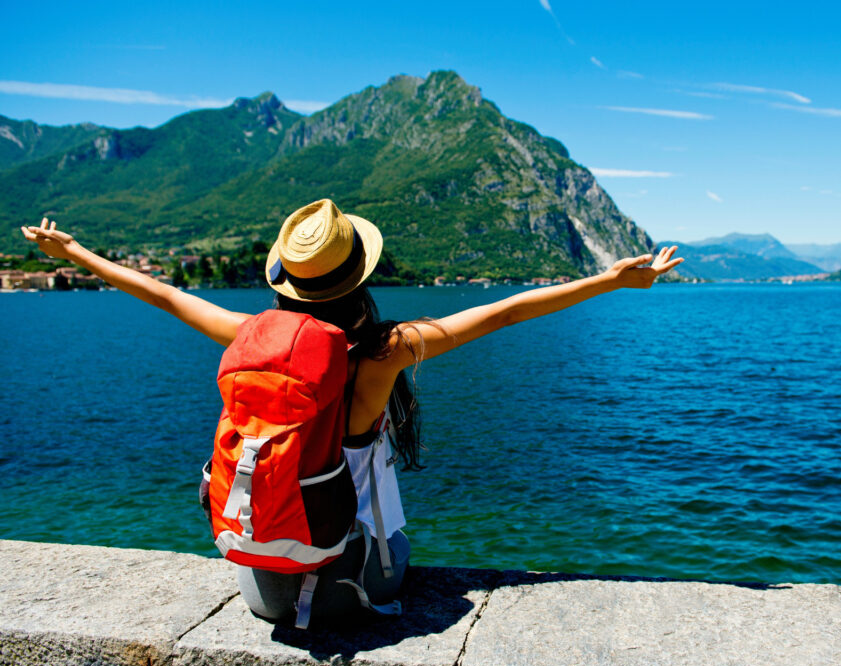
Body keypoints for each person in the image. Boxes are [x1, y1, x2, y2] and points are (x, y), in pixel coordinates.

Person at [20, 199, 683, 624]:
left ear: (291, 279)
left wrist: (71, 252)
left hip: (261, 584)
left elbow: (162, 295)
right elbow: (506, 311)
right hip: (356, 582)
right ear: (357, 277)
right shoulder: (382, 351)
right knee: (398, 539)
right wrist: (612, 280)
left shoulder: (247, 333)